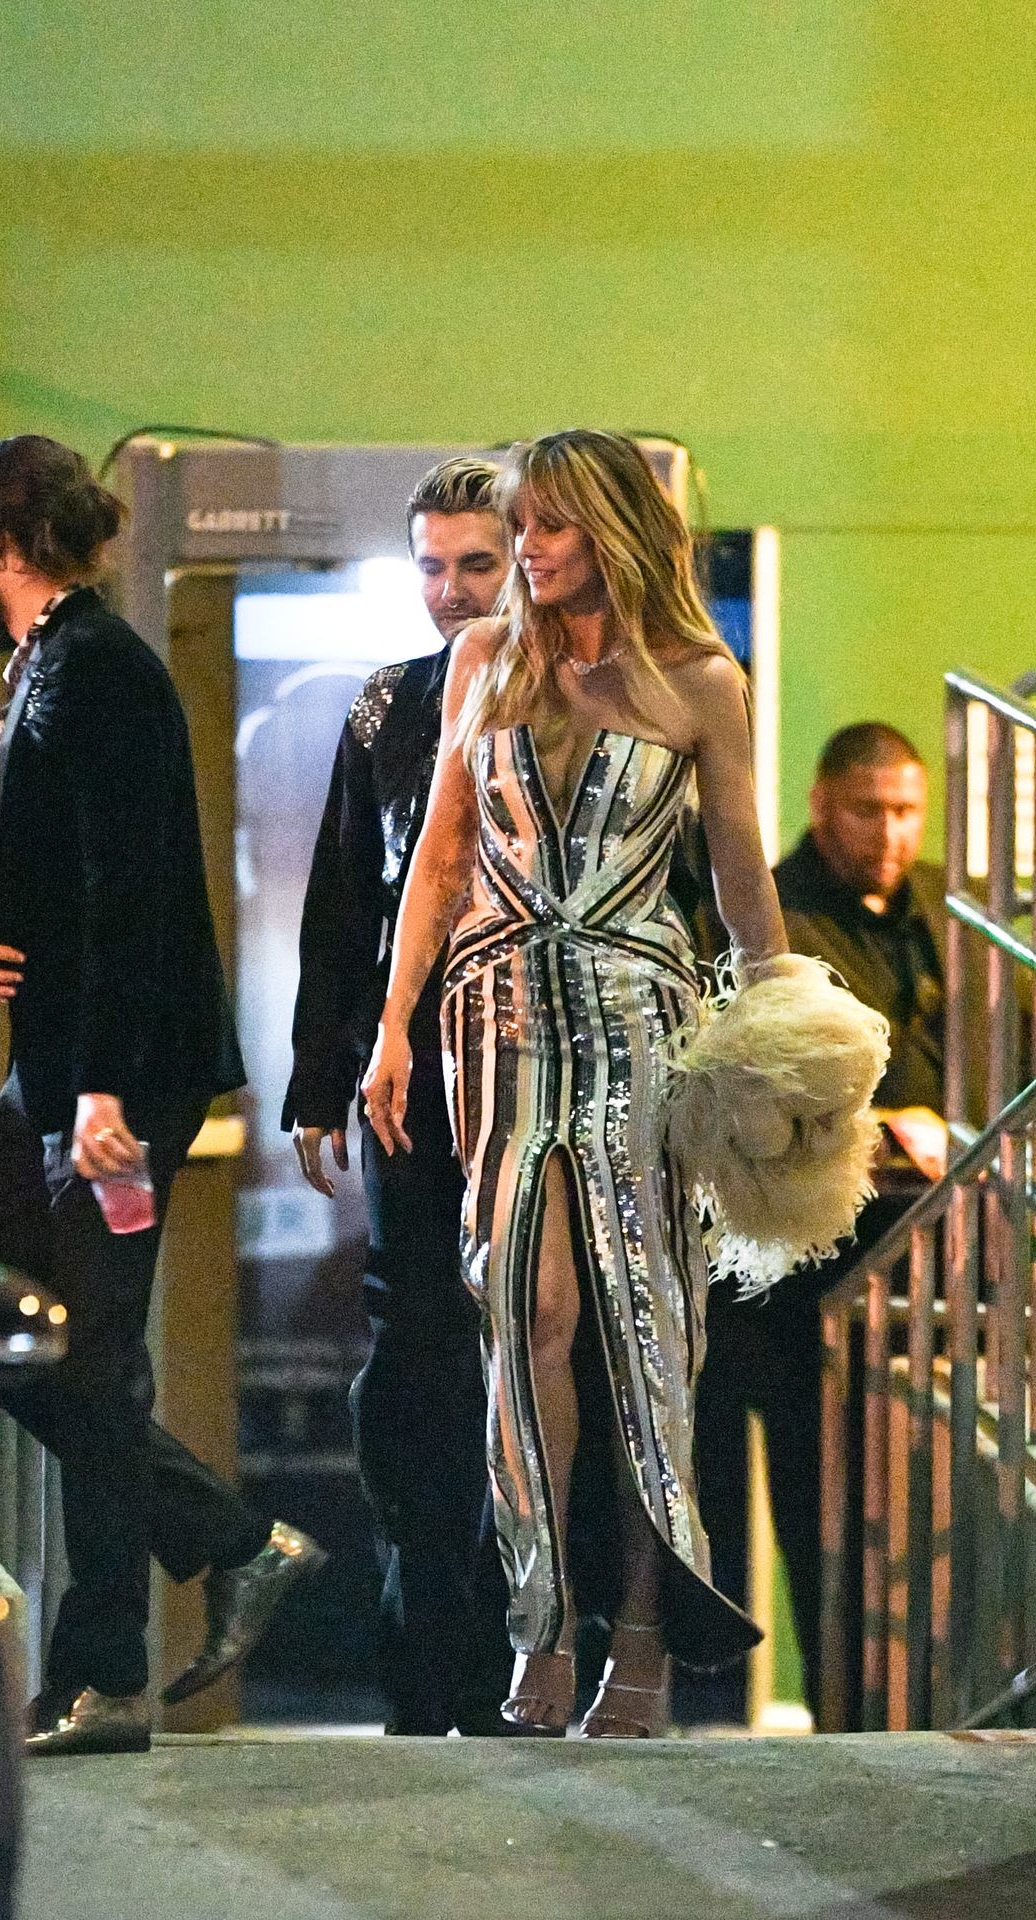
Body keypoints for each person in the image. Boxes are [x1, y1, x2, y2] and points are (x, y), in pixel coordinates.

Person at [363, 429, 803, 1739]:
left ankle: (648, 1636)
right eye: (521, 528)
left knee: (644, 1336)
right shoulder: (486, 662)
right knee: (524, 1316)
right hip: (495, 1020)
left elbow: (740, 879)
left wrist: (786, 1037)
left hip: (640, 1027)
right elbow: (441, 857)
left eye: (548, 527)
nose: (528, 552)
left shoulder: (700, 680)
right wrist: (393, 1026)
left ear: (612, 528)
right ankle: (542, 1624)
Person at [0, 435, 324, 1756]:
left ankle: (106, 1675)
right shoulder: (56, 661)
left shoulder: (96, 667)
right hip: (58, 1070)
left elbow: (133, 892)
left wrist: (102, 1092)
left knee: (92, 1357)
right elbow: (69, 877)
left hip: (106, 1078)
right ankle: (227, 1538)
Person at [284, 456, 513, 1735]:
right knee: (414, 1342)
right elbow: (340, 897)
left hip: (534, 1050)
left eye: (477, 563)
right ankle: (427, 1644)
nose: (451, 589)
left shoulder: (573, 698)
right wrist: (319, 1076)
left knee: (531, 1347)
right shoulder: (389, 702)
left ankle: (521, 1646)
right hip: (407, 1060)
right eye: (431, 566)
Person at [695, 722, 944, 1714]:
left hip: (917, 1278)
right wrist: (888, 1122)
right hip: (781, 1281)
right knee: (805, 1517)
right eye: (867, 811)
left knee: (907, 1527)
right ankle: (817, 1717)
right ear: (820, 805)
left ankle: (890, 1717)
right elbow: (751, 1091)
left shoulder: (941, 909)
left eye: (905, 811)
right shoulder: (767, 915)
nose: (889, 832)